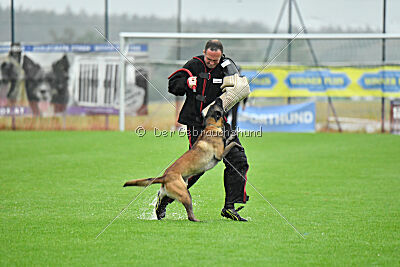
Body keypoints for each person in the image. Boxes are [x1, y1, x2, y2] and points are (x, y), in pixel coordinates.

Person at [156, 39, 249, 221]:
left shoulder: (226, 67)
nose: (212, 63)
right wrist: (186, 83)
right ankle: (165, 198)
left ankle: (230, 207)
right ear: (204, 53)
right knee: (197, 169)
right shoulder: (194, 64)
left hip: (219, 124)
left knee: (238, 159)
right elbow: (173, 86)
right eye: (209, 59)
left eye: (215, 60)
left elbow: (238, 86)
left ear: (221, 55)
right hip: (196, 123)